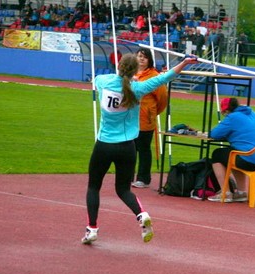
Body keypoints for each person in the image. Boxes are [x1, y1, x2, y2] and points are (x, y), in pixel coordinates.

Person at [81, 54, 196, 245]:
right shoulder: (138, 88)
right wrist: (184, 62)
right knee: (123, 190)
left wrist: (129, 77)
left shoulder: (103, 81)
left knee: (94, 187)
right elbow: (165, 78)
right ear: (136, 70)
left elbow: (99, 79)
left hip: (104, 145)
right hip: (127, 147)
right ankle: (141, 214)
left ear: (119, 66)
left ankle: (92, 228)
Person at [206, 97, 255, 203]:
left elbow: (214, 134)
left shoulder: (232, 117)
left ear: (226, 111)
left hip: (250, 160)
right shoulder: (252, 113)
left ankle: (225, 193)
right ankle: (241, 192)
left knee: (217, 154)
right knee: (233, 154)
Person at [131, 49, 168, 190]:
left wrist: (152, 112)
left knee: (143, 148)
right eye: (139, 56)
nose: (141, 59)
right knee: (129, 149)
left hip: (145, 118)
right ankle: (127, 176)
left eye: (144, 57)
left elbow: (163, 99)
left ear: (149, 60)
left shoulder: (154, 76)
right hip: (130, 118)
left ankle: (143, 178)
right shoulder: (131, 73)